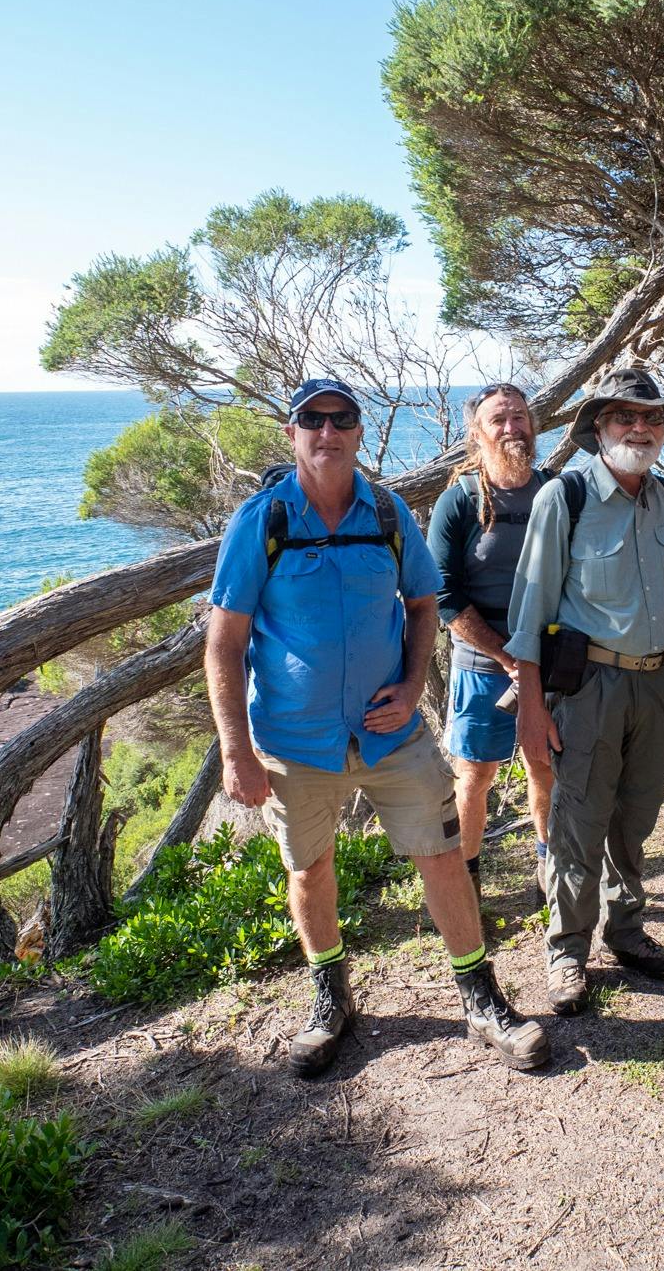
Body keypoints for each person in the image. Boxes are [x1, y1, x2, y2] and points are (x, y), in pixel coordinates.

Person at [205, 376, 550, 1077]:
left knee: (442, 856)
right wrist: (235, 750)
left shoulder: (387, 513)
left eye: (342, 420)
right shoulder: (262, 520)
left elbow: (426, 604)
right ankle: (331, 999)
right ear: (293, 433)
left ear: (360, 432)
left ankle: (481, 998)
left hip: (392, 736)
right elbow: (224, 642)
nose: (327, 433)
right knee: (310, 867)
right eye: (313, 421)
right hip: (296, 743)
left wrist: (413, 681)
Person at [505, 367, 664, 1016]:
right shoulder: (563, 499)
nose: (640, 429)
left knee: (635, 819)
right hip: (587, 686)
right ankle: (567, 951)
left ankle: (625, 931)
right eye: (626, 417)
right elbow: (530, 611)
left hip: (657, 686)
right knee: (578, 822)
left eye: (651, 419)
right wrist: (532, 710)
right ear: (599, 428)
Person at [426, 383, 553, 897]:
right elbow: (442, 593)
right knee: (475, 776)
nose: (511, 428)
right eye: (498, 419)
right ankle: (466, 878)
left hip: (547, 661)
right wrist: (504, 656)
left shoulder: (554, 491)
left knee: (544, 765)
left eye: (519, 417)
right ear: (476, 433)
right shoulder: (459, 502)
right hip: (482, 666)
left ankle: (550, 865)